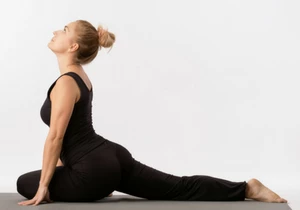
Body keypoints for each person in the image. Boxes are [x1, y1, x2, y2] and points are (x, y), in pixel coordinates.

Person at [16, 20, 288, 206]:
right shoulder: (79, 76)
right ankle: (247, 188)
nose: (56, 31)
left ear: (73, 46)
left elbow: (56, 138)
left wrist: (44, 187)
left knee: (25, 182)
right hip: (110, 156)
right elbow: (72, 137)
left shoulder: (65, 83)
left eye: (64, 29)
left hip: (94, 169)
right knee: (178, 187)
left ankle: (98, 182)